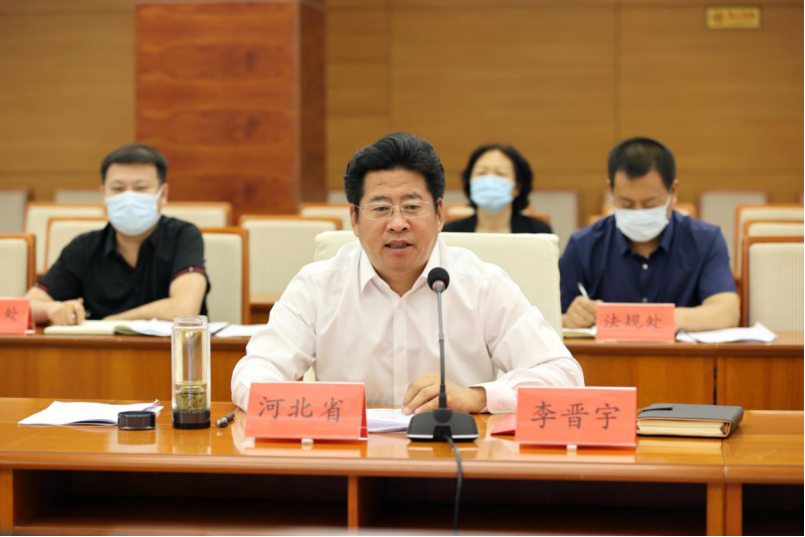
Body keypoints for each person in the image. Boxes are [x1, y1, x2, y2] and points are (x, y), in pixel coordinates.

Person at [231, 133, 583, 414]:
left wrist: (476, 397)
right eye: (380, 208)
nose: (397, 223)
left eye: (412, 206)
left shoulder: (482, 285)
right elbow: (254, 372)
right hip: (348, 458)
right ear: (354, 219)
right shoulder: (318, 285)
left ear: (439, 213)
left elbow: (563, 375)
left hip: (455, 460)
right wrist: (313, 409)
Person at [560, 137, 739, 331]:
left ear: (673, 191)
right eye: (626, 203)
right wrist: (569, 320)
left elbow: (727, 312)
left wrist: (658, 320)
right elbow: (551, 318)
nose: (638, 212)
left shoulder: (705, 240)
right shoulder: (582, 245)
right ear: (612, 190)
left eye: (650, 204)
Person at [26, 144, 210, 326]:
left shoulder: (183, 236)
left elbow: (185, 310)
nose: (129, 199)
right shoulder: (83, 247)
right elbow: (26, 306)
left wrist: (109, 322)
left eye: (141, 188)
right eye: (118, 189)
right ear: (104, 195)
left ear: (163, 194)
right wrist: (52, 310)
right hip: (98, 346)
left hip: (172, 346)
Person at [442, 143, 552, 234]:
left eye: (500, 173)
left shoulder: (538, 232)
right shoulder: (451, 232)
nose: (489, 180)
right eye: (481, 173)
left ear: (517, 187)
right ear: (470, 182)